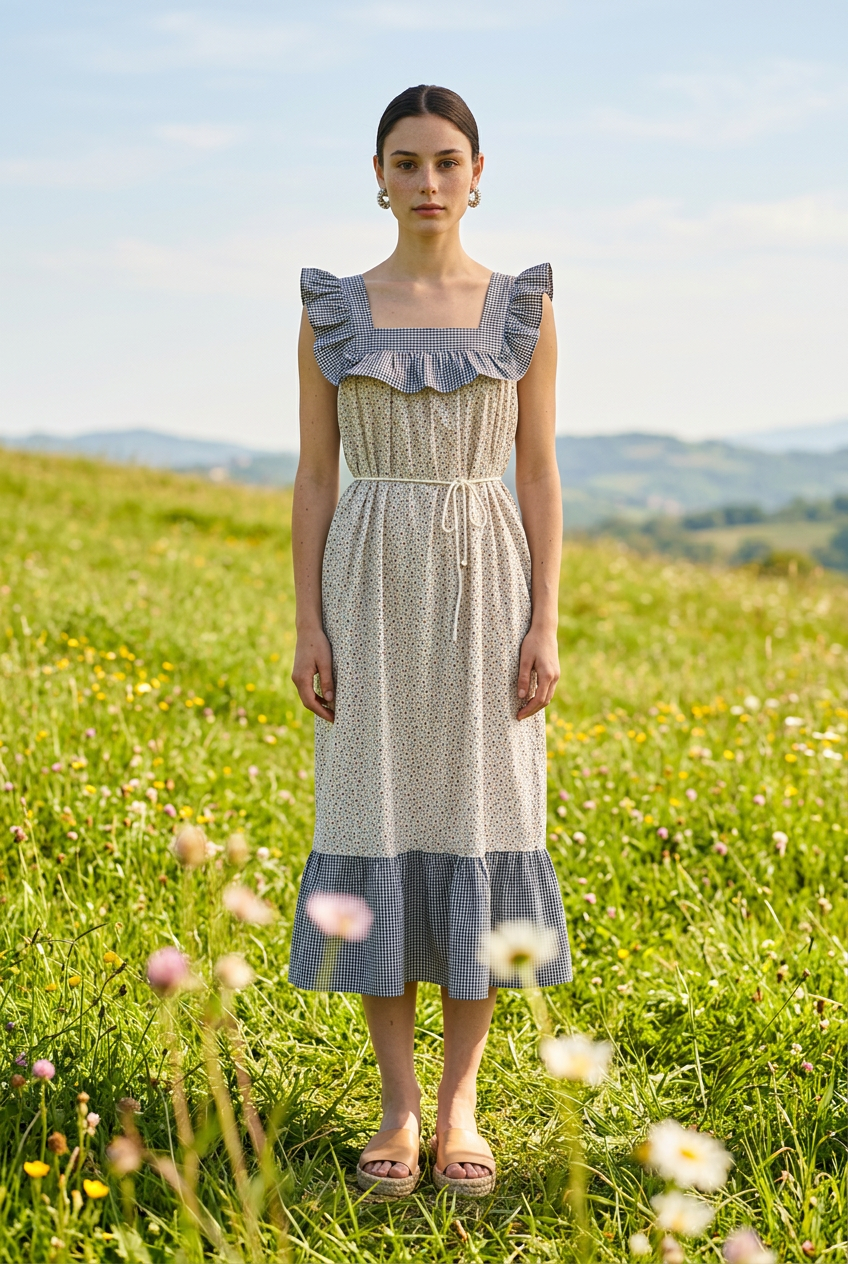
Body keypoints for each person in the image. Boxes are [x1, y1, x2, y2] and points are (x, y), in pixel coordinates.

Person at [288, 84, 571, 1198]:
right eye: (405, 163)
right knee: (376, 823)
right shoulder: (333, 311)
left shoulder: (521, 309)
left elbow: (538, 474)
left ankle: (461, 1104)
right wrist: (306, 618)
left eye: (445, 162)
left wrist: (545, 616)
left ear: (478, 170)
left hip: (487, 582)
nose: (426, 183)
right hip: (366, 581)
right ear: (376, 175)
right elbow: (316, 475)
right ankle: (397, 1108)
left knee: (476, 825)